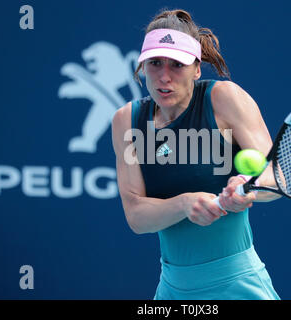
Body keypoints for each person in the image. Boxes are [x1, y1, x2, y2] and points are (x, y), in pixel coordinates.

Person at [112, 9, 281, 300]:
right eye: (155, 63)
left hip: (239, 284)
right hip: (172, 289)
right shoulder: (126, 120)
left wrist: (246, 187)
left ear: (197, 68)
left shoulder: (224, 99)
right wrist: (184, 204)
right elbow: (136, 216)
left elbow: (276, 178)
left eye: (177, 64)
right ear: (142, 66)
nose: (164, 76)